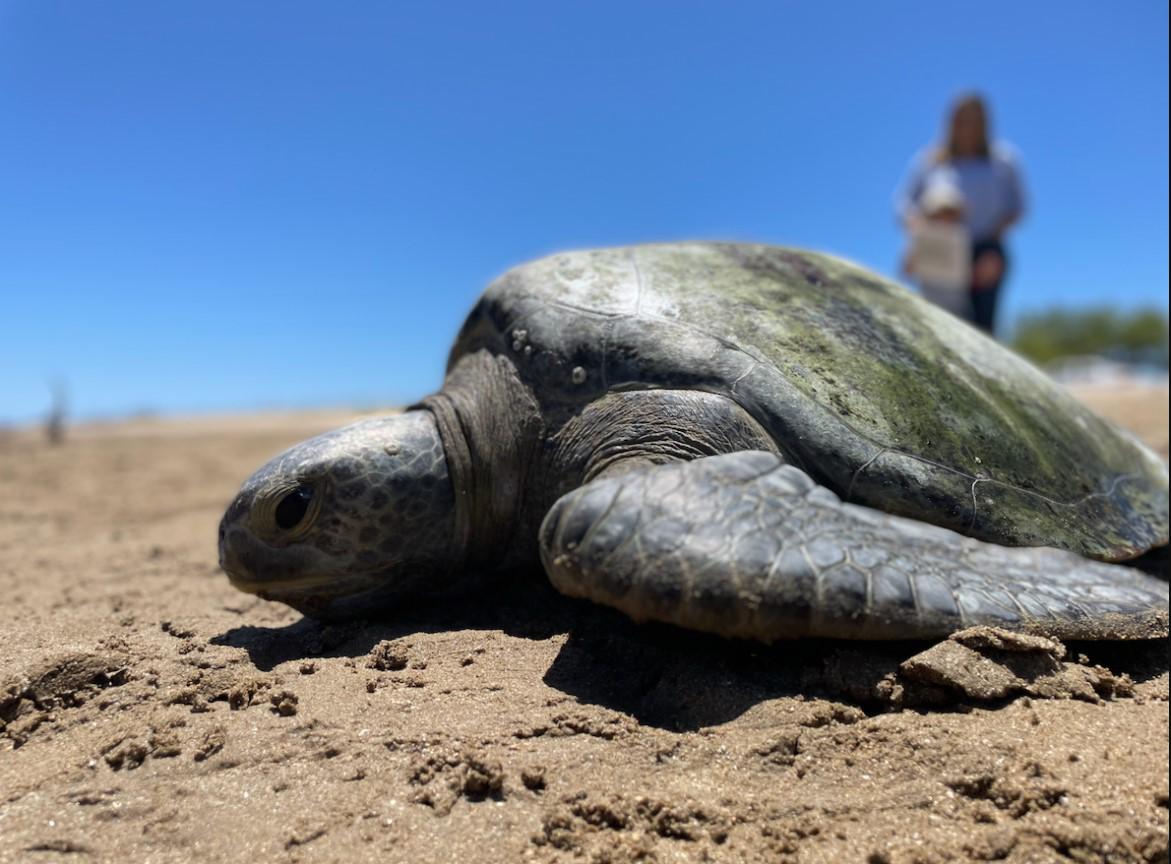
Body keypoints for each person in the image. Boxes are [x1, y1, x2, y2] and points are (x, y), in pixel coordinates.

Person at [898, 93, 1027, 334]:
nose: (967, 126)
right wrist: (918, 242)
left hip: (985, 250)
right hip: (939, 246)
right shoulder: (929, 161)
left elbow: (1017, 208)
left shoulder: (1003, 160)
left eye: (974, 119)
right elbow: (905, 205)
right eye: (961, 119)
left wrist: (993, 246)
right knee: (936, 324)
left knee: (980, 330)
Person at [901, 175, 971, 318]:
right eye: (940, 213)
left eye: (950, 214)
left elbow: (965, 274)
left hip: (956, 301)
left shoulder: (961, 236)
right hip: (927, 297)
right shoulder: (920, 234)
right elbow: (907, 270)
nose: (945, 219)